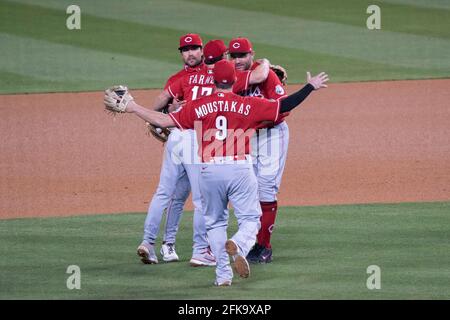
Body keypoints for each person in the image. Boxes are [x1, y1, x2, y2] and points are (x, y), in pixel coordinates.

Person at [104, 60, 329, 285]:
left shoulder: (197, 106)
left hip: (209, 171)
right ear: (234, 80)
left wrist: (133, 108)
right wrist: (310, 86)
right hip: (239, 169)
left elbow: (163, 120)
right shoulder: (247, 103)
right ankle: (239, 243)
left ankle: (223, 275)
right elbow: (285, 105)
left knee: (215, 223)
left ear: (213, 81)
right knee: (251, 219)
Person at [137, 33, 215, 266]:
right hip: (194, 139)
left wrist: (168, 112)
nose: (190, 53)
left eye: (194, 49)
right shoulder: (203, 75)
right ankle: (200, 249)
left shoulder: (182, 78)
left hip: (176, 138)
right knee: (201, 200)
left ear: (202, 51)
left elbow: (155, 110)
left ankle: (155, 244)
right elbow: (158, 105)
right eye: (185, 50)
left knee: (169, 193)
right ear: (181, 53)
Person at [228, 37, 290, 263]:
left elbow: (283, 110)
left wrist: (255, 122)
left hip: (271, 136)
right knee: (247, 190)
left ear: (251, 55)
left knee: (265, 188)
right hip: (245, 138)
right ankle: (248, 240)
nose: (237, 60)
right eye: (233, 56)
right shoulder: (227, 79)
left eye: (242, 55)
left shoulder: (267, 75)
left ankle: (264, 246)